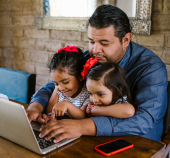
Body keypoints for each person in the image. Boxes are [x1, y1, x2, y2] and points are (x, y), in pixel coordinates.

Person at [26, 5, 167, 143]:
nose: (95, 50)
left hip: (140, 144)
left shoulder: (151, 68)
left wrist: (83, 126)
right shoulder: (91, 58)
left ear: (126, 40)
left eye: (104, 43)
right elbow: (53, 86)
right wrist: (35, 106)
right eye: (92, 41)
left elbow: (144, 120)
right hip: (92, 139)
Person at [45, 45, 91, 120]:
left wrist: (67, 105)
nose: (61, 88)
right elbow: (50, 108)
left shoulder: (87, 93)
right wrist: (50, 117)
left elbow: (83, 117)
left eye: (65, 82)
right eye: (56, 83)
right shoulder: (58, 89)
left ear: (80, 76)